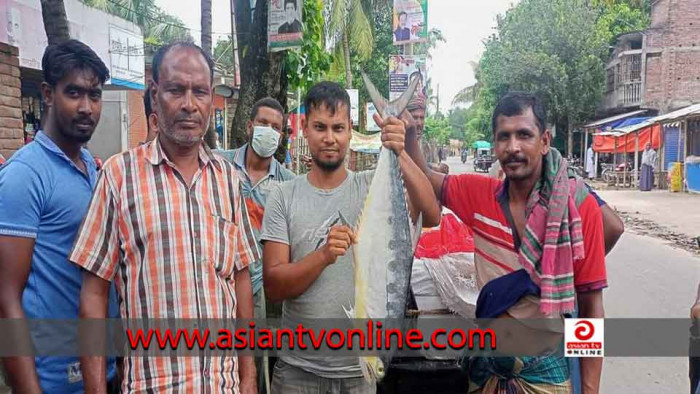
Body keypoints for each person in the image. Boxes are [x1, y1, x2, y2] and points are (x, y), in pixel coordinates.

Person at [69, 42, 260, 392]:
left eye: (200, 92)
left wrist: (248, 378)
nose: (190, 104)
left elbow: (241, 280)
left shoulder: (228, 180)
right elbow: (94, 295)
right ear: (155, 95)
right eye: (176, 90)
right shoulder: (118, 177)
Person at [404, 92, 606, 392]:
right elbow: (428, 177)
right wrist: (409, 137)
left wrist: (589, 389)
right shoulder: (479, 195)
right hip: (487, 371)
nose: (513, 147)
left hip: (546, 376)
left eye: (524, 135)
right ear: (495, 143)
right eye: (504, 137)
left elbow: (590, 307)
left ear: (545, 140)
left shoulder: (577, 210)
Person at [260, 81, 440, 394]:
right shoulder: (283, 196)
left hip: (358, 376)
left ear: (350, 132)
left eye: (338, 128)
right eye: (320, 127)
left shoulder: (371, 186)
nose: (329, 138)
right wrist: (323, 256)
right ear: (304, 128)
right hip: (296, 373)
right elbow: (274, 287)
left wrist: (400, 150)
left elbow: (432, 213)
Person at [0, 39, 119, 393]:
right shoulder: (25, 175)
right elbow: (6, 299)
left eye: (94, 96)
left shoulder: (93, 169)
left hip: (101, 371)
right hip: (52, 381)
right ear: (49, 94)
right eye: (74, 93)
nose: (87, 107)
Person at [215, 97, 295, 392]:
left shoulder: (287, 184)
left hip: (260, 285)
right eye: (263, 124)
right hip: (219, 282)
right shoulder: (218, 165)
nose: (269, 131)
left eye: (276, 127)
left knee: (257, 365)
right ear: (249, 126)